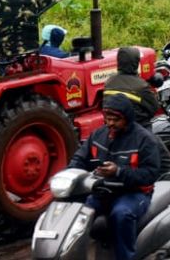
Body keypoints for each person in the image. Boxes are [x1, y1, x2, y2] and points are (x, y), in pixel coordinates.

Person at [68, 95, 162, 260]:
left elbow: (150, 174)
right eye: (108, 118)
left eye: (116, 120)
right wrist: (68, 174)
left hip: (134, 193)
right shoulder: (98, 135)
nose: (110, 123)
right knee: (78, 215)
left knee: (121, 214)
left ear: (127, 118)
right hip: (103, 190)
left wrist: (118, 171)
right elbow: (80, 158)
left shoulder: (144, 140)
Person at [103, 47, 160, 127]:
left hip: (113, 127)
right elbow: (154, 108)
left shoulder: (109, 82)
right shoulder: (141, 86)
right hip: (136, 128)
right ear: (135, 63)